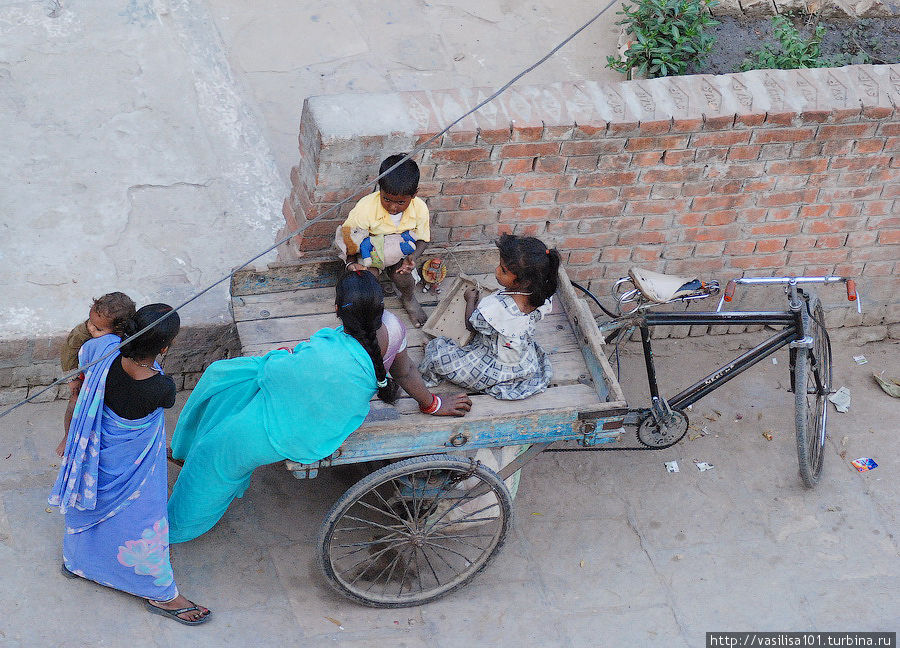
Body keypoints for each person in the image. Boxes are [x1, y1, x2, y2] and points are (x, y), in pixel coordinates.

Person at [166, 270, 471, 544]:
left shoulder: (326, 348)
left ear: (338, 309)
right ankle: (191, 454)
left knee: (214, 449)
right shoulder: (393, 327)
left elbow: (274, 374)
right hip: (324, 424)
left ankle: (177, 528)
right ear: (379, 307)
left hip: (290, 430)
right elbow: (405, 372)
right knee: (231, 387)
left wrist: (281, 357)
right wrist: (433, 404)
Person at [49, 304, 210, 626]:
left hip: (95, 455)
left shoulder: (99, 351)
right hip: (132, 464)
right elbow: (161, 404)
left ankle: (78, 561)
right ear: (164, 347)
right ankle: (162, 594)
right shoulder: (161, 388)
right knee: (141, 516)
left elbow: (85, 366)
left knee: (91, 505)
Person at [418, 234, 561, 400]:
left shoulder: (496, 308)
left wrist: (470, 300)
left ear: (524, 282)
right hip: (521, 361)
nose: (497, 271)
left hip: (494, 365)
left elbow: (471, 325)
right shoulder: (541, 295)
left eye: (504, 271)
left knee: (438, 356)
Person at [338, 154, 430, 327]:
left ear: (414, 195)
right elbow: (349, 238)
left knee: (403, 276)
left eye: (401, 202)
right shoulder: (365, 208)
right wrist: (350, 264)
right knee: (368, 280)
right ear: (380, 189)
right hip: (369, 251)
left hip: (399, 251)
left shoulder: (420, 209)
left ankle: (409, 299)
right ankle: (373, 309)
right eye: (386, 199)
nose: (393, 207)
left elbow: (424, 240)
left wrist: (412, 259)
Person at [57, 292, 136, 455]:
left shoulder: (127, 338)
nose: (90, 327)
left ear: (119, 331)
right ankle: (68, 437)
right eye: (90, 322)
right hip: (87, 376)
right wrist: (73, 380)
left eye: (98, 328)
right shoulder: (84, 331)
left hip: (112, 379)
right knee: (75, 402)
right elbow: (68, 352)